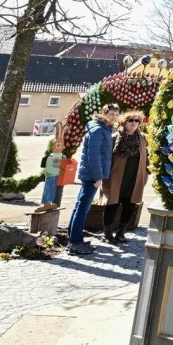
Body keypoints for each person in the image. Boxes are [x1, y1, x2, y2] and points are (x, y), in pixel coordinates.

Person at [68, 105, 116, 254]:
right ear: (104, 113)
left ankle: (73, 239)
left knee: (80, 206)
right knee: (83, 208)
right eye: (111, 114)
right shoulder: (98, 130)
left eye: (116, 114)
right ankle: (75, 243)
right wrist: (98, 177)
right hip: (92, 175)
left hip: (90, 174)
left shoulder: (103, 128)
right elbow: (94, 156)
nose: (114, 117)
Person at [102, 111, 148, 244]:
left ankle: (121, 233)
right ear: (124, 122)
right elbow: (106, 158)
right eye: (131, 120)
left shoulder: (142, 138)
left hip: (134, 179)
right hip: (116, 178)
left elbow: (146, 157)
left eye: (136, 121)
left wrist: (145, 174)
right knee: (112, 205)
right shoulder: (115, 137)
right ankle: (107, 234)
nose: (134, 123)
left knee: (130, 205)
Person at [32, 118, 65, 215]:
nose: (59, 147)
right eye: (57, 145)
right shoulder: (51, 157)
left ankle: (50, 203)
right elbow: (50, 169)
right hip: (51, 177)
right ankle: (46, 203)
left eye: (61, 145)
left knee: (53, 191)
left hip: (56, 178)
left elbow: (64, 162)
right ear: (53, 146)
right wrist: (59, 172)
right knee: (48, 190)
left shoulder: (61, 156)